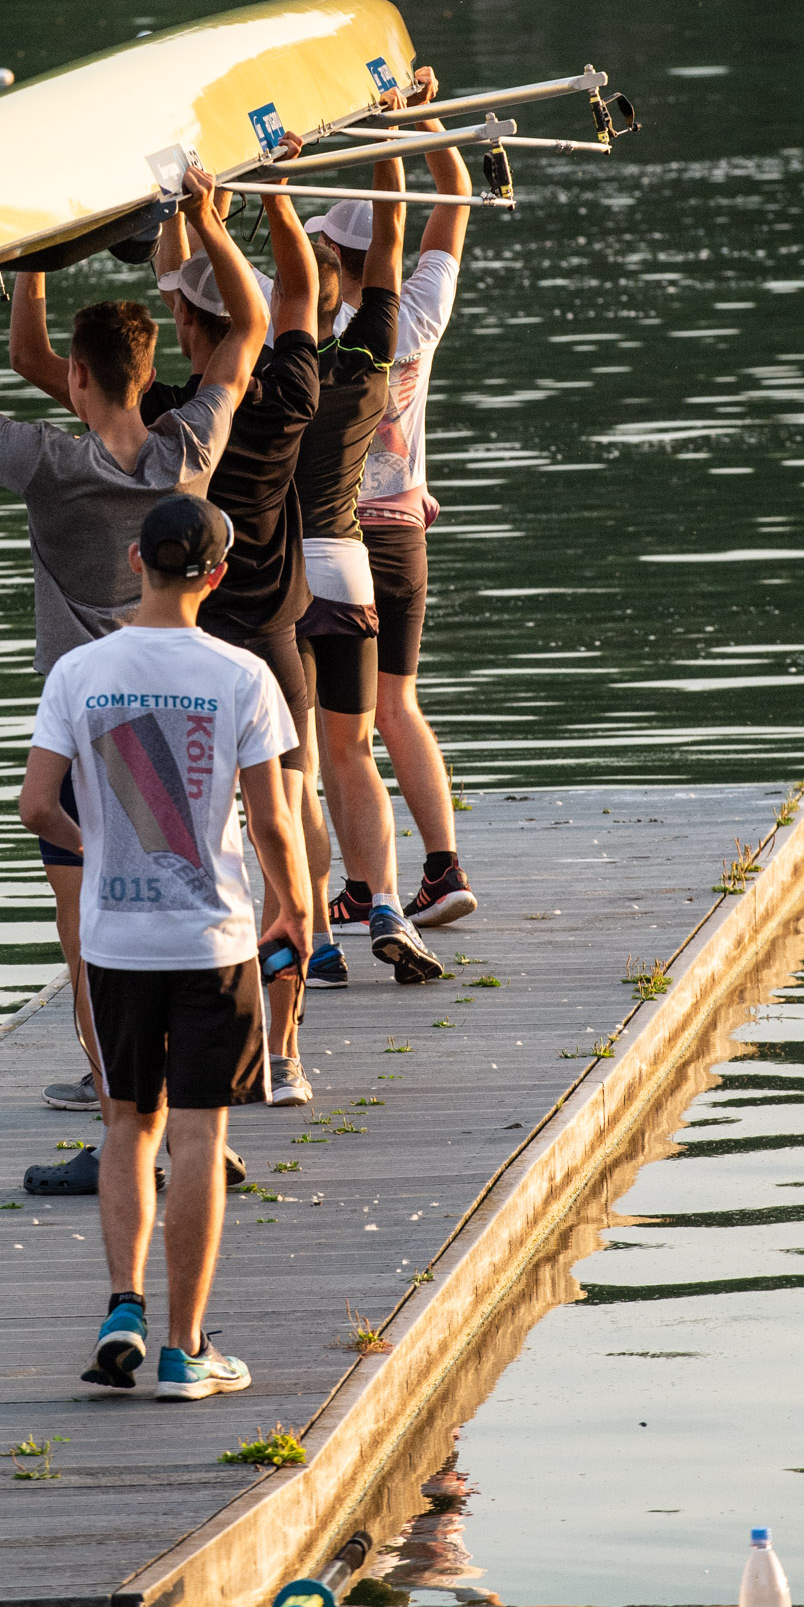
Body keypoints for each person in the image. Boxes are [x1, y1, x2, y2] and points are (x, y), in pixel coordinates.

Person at [0, 169, 266, 1183]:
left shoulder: (46, 465)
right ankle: (199, 1136)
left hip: (83, 738)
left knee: (89, 947)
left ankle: (120, 1134)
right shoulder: (186, 448)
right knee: (185, 920)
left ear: (75, 378)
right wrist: (200, 217)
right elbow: (244, 331)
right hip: (180, 730)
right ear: (144, 368)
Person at [11, 188, 319, 1107]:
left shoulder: (103, 453)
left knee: (111, 907)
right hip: (247, 653)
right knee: (260, 843)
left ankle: (119, 1091)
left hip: (131, 686)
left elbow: (32, 366)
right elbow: (272, 308)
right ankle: (276, 1054)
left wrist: (21, 257)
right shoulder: (224, 424)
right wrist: (220, 221)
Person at [18, 493, 310, 1397]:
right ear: (216, 577)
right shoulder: (242, 677)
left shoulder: (79, 672)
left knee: (124, 1126)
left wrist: (101, 855)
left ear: (136, 560)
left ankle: (122, 1307)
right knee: (196, 1133)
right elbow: (271, 820)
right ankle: (187, 1351)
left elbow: (34, 807)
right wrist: (296, 911)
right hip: (212, 934)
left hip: (115, 941)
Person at [303, 72, 476, 977]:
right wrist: (416, 119)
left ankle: (361, 890)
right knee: (397, 703)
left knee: (339, 730)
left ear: (329, 251)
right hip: (406, 529)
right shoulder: (419, 312)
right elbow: (451, 197)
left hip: (341, 536)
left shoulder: (304, 331)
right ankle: (441, 868)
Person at [294, 148, 443, 987]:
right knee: (353, 750)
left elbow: (207, 310)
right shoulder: (364, 372)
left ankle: (316, 936)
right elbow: (391, 249)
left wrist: (190, 220)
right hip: (353, 565)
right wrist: (392, 151)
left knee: (297, 769)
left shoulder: (260, 381)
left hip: (281, 583)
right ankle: (386, 901)